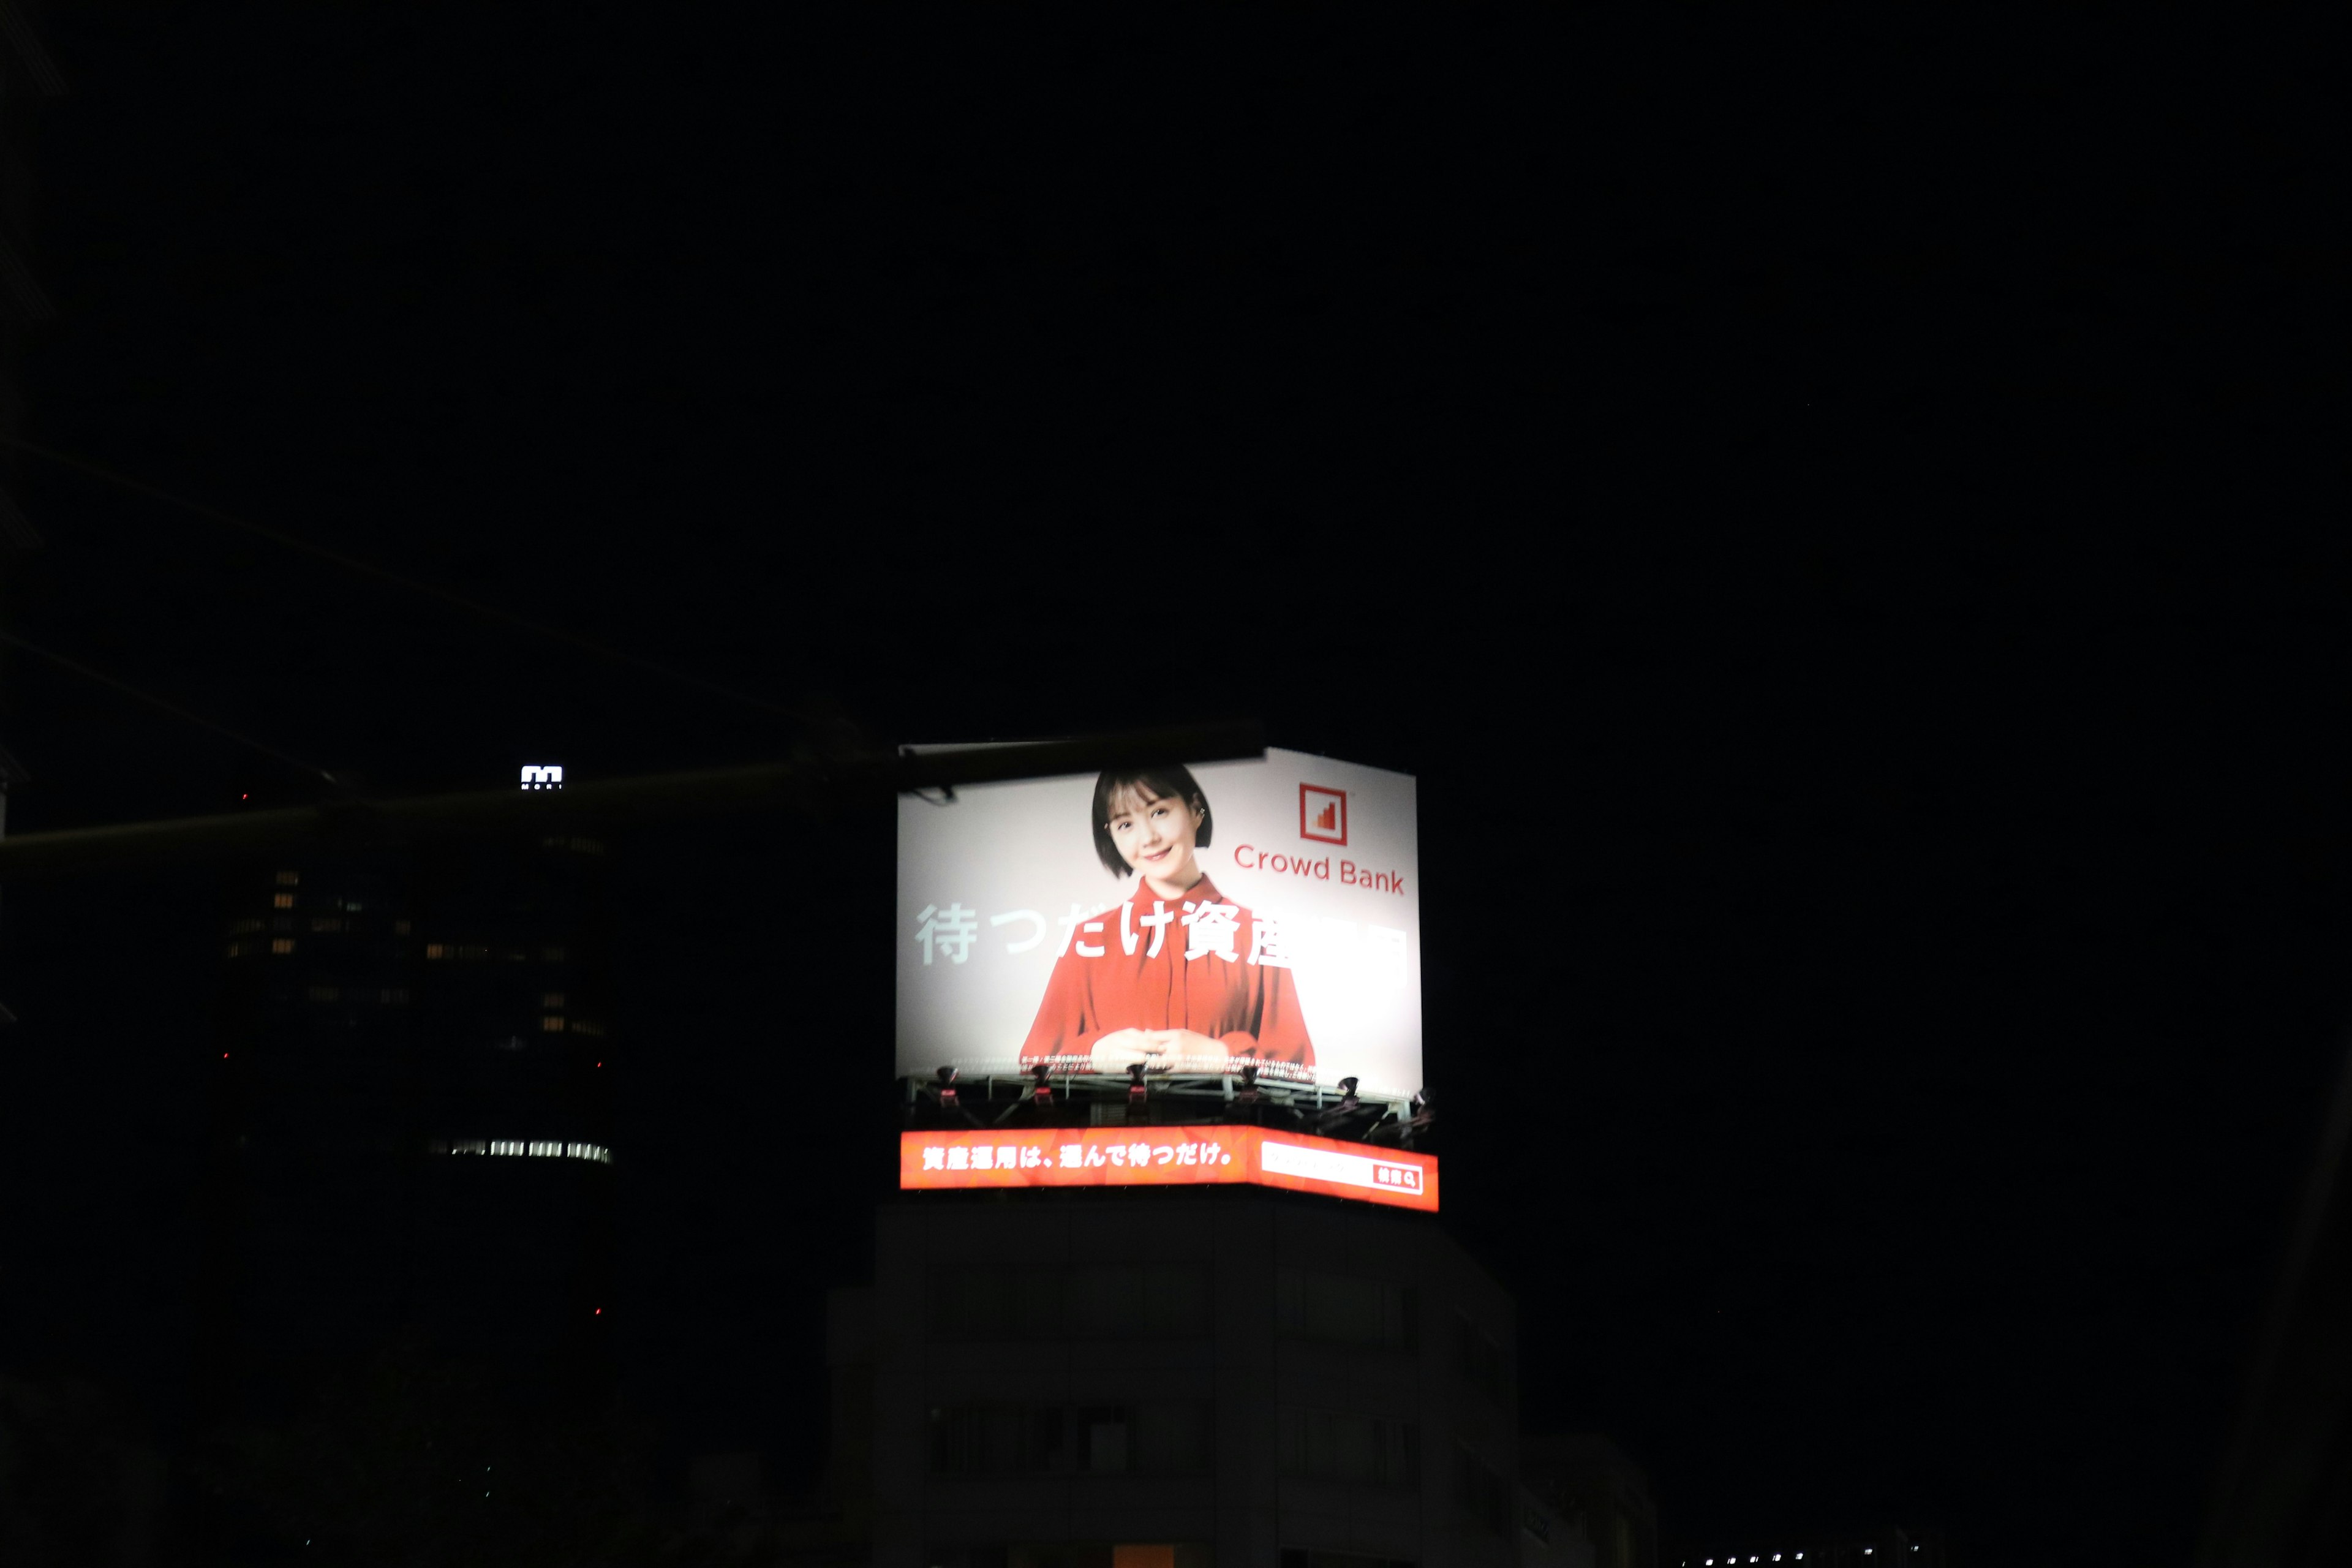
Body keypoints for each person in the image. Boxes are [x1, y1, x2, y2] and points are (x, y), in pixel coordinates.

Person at [1019, 764, 1315, 1077]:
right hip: (1114, 1125)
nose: (1148, 838)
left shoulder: (1254, 934)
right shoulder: (1091, 939)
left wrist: (1224, 1056)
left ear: (1196, 809)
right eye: (1125, 825)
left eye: (1159, 812)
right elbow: (1035, 1064)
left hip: (1227, 1125)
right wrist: (1093, 1055)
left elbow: (1298, 1068)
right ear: (1112, 836)